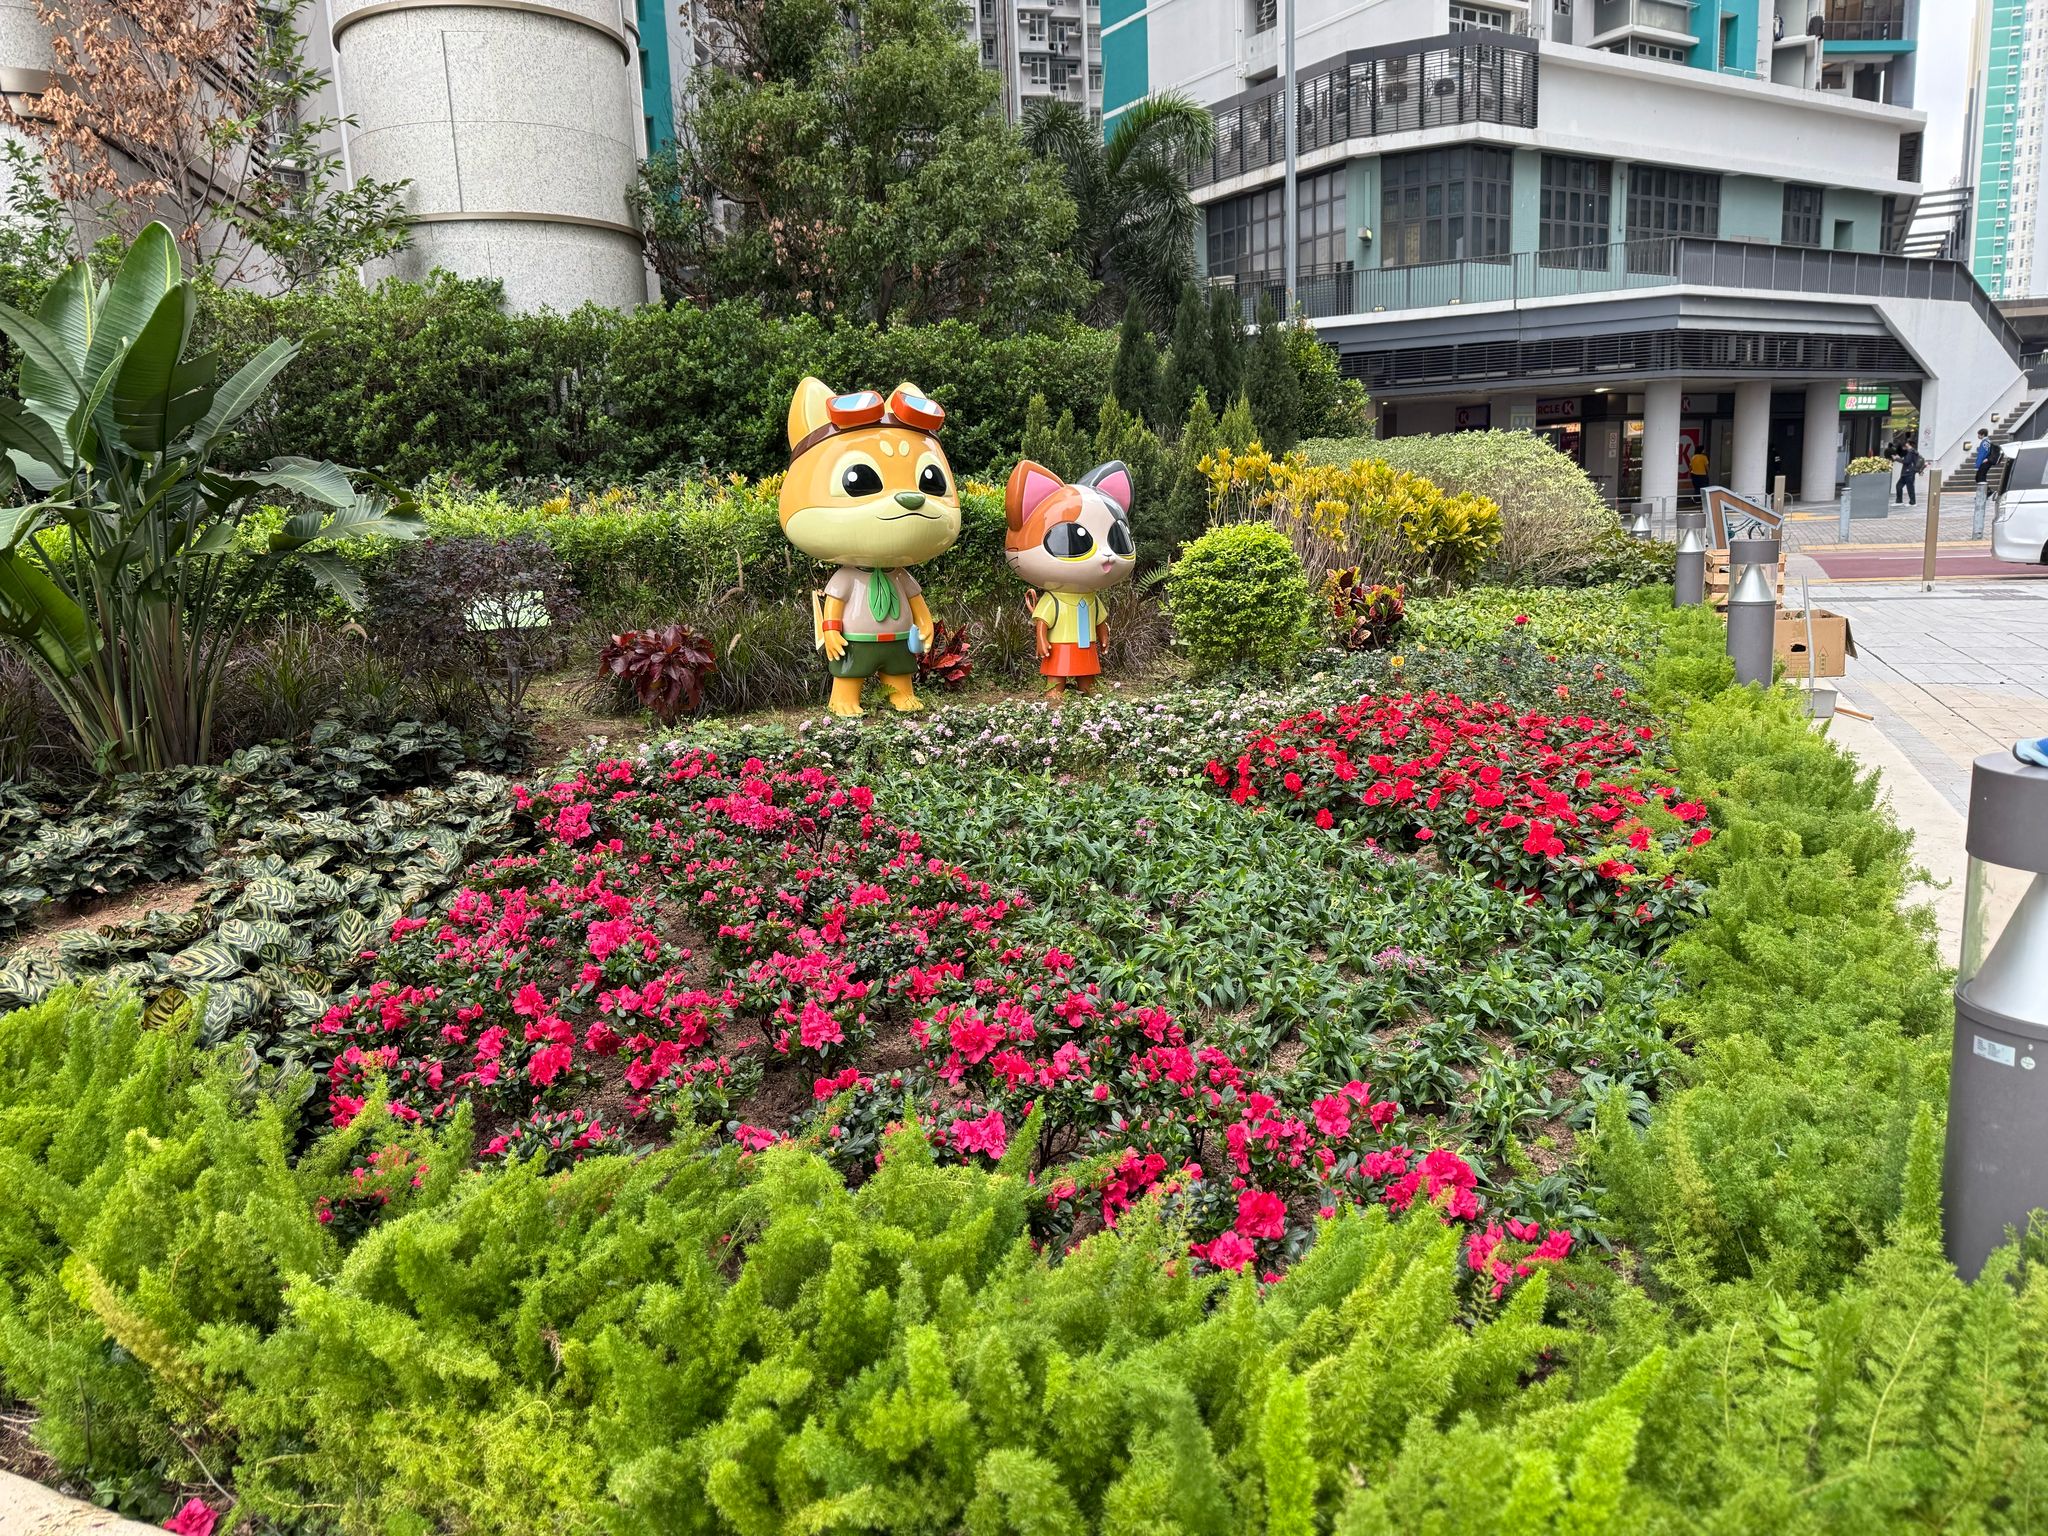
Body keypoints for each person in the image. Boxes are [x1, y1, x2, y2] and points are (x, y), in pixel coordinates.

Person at [1974, 427, 2002, 538]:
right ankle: (1987, 491)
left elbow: (1982, 453)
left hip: (1984, 462)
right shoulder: (1988, 442)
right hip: (1986, 462)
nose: (1978, 436)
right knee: (1979, 477)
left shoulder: (1985, 443)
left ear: (1982, 434)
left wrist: (1978, 463)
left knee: (1980, 477)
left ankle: (1987, 491)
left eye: (1978, 434)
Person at [1895, 437, 1923, 506]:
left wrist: (1897, 458)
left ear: (1907, 444)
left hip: (1909, 472)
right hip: (1906, 472)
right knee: (1899, 486)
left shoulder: (1911, 452)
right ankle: (1899, 501)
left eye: (1903, 446)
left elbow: (1907, 461)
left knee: (1910, 488)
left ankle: (1912, 502)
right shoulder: (1911, 451)